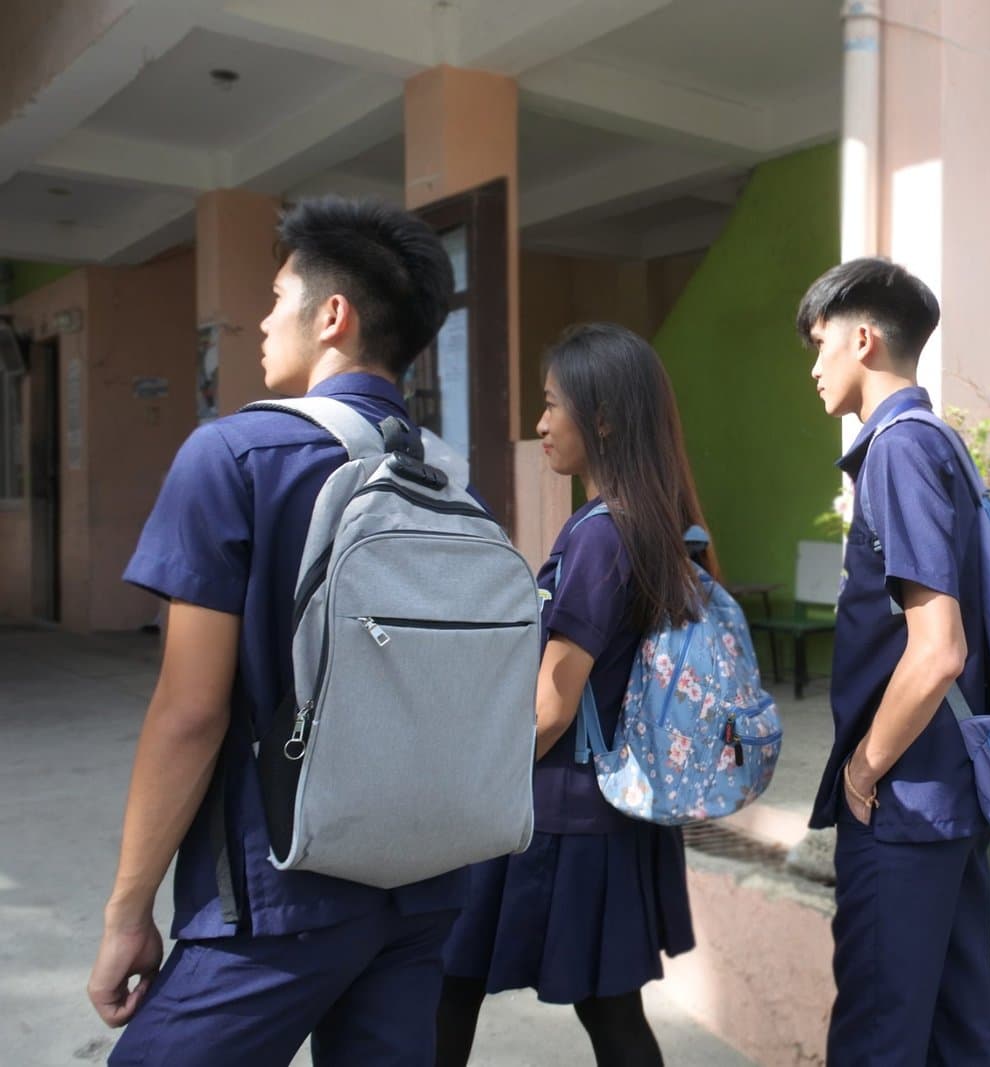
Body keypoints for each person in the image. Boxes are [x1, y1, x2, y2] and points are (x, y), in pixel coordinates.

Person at [87, 195, 463, 1065]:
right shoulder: (448, 478)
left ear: (333, 315)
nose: (259, 320)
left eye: (275, 294)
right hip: (428, 884)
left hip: (273, 892)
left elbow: (190, 711)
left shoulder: (233, 457)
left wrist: (126, 911)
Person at [435, 323, 701, 1067]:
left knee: (447, 978)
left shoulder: (598, 536)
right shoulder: (654, 522)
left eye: (554, 406)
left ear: (606, 417)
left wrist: (467, 785)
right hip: (611, 811)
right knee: (609, 1009)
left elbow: (553, 706)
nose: (541, 424)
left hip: (554, 812)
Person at [796, 257, 990, 1065]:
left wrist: (862, 771)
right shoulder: (940, 444)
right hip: (946, 797)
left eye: (821, 345)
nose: (815, 367)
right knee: (955, 1033)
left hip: (903, 805)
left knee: (878, 1037)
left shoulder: (898, 451)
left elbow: (937, 648)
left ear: (864, 338)